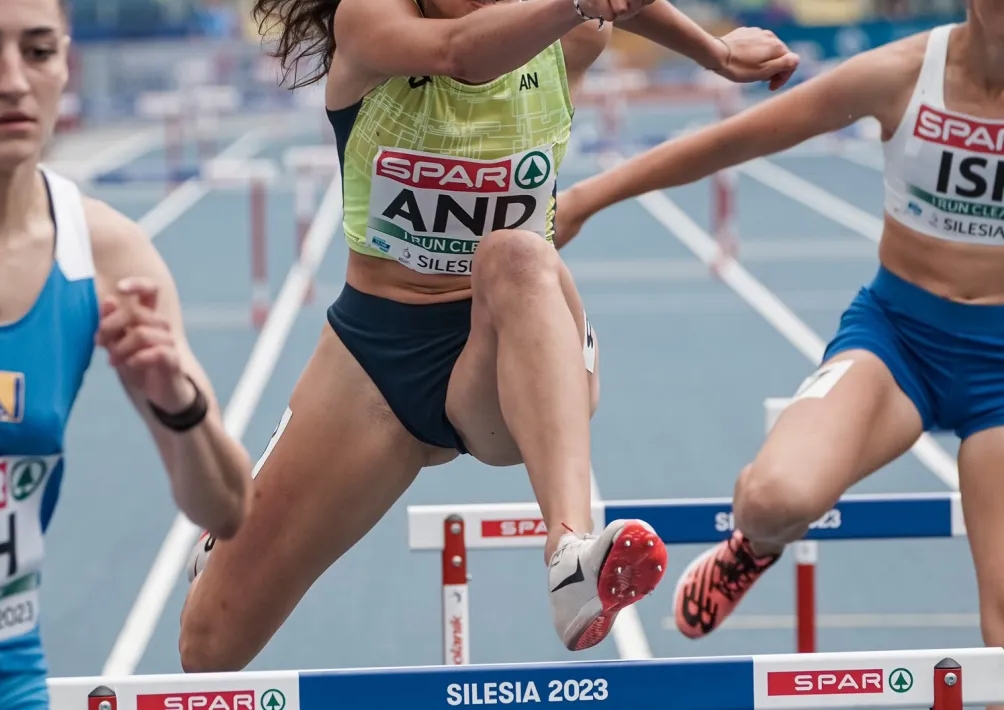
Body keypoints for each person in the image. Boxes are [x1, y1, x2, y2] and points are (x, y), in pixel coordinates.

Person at [178, 0, 799, 671]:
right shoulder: (369, 21)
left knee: (517, 253)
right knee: (209, 646)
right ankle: (230, 543)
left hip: (513, 346)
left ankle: (570, 555)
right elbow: (458, 53)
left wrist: (718, 53)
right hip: (376, 355)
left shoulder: (572, 34)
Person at [554, 1, 1004, 670]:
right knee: (773, 500)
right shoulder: (903, 74)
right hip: (899, 343)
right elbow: (737, 139)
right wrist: (588, 199)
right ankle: (751, 550)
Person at [0, 0, 254, 707]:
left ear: (66, 62)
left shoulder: (101, 251)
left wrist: (175, 402)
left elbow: (226, 507)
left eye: (38, 51)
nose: (12, 80)